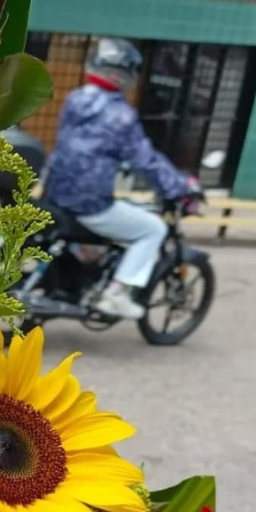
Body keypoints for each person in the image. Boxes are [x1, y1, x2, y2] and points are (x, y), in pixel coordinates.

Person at [45, 38, 191, 320]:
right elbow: (146, 160)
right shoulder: (120, 115)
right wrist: (178, 187)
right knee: (153, 229)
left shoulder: (76, 99)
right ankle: (116, 293)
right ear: (126, 75)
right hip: (90, 202)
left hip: (57, 193)